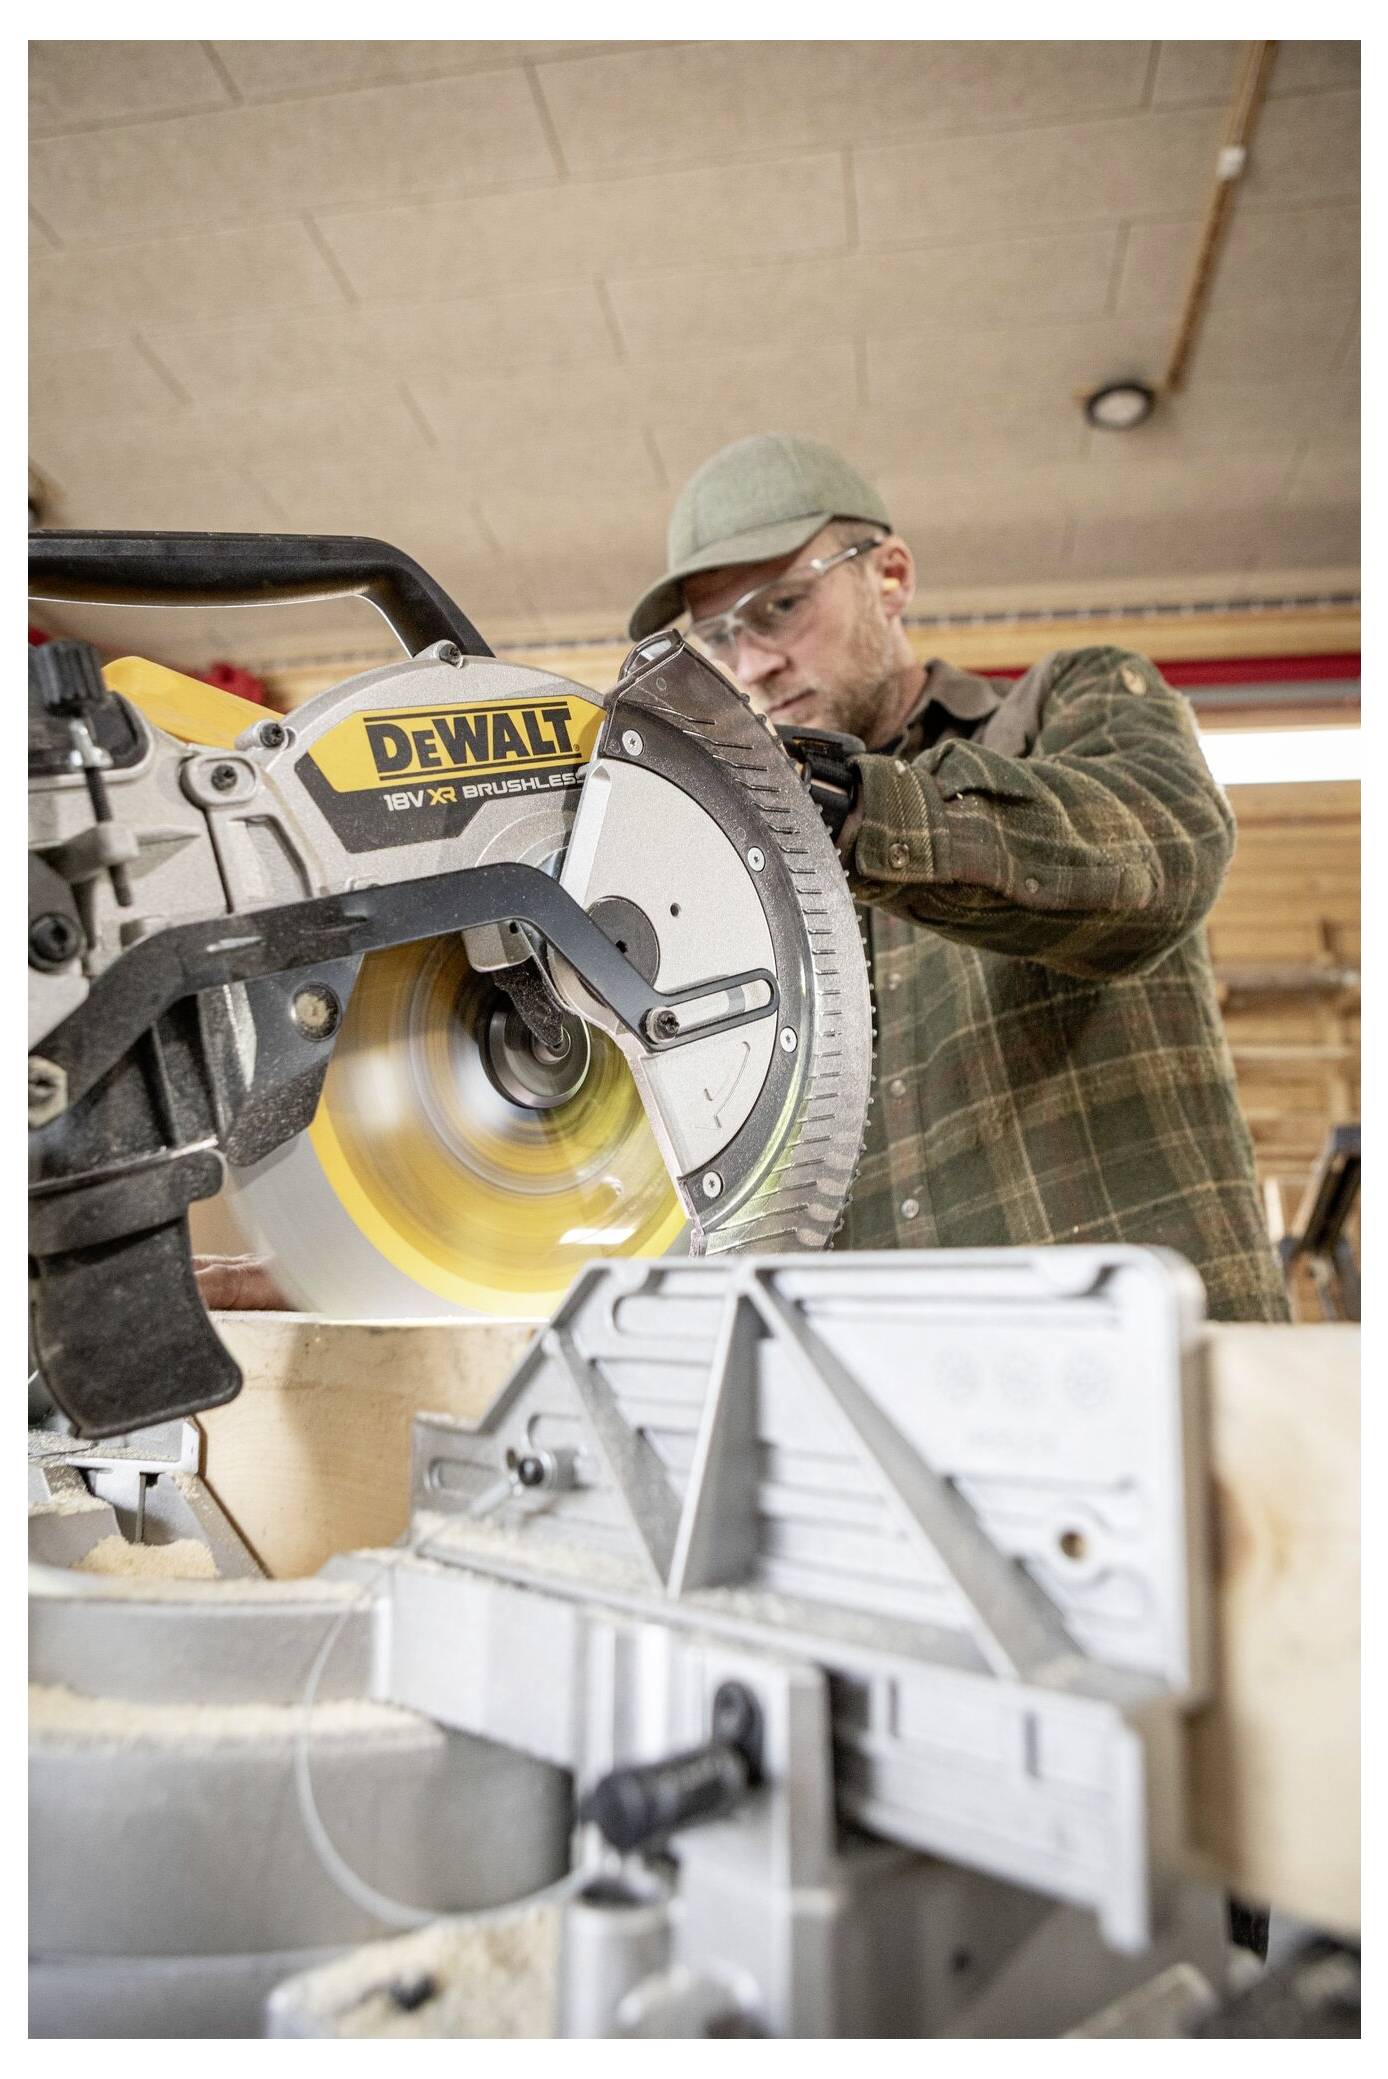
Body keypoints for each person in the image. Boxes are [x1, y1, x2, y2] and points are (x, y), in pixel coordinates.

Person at [628, 432, 1288, 1325]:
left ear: (890, 576)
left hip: (1141, 1364)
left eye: (779, 606)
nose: (750, 665)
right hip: (894, 1412)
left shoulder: (1070, 700)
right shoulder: (753, 882)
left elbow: (1159, 852)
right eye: (718, 635)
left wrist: (841, 806)